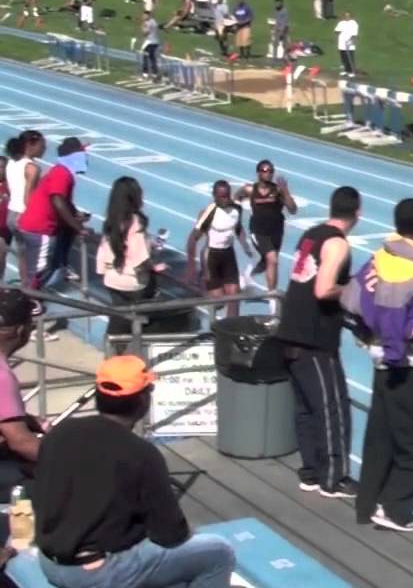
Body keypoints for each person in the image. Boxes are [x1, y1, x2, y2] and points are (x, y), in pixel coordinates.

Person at [33, 355, 236, 588]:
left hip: (49, 562)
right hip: (98, 573)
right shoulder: (141, 453)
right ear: (142, 401)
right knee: (217, 552)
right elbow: (171, 534)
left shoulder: (60, 433)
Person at [341, 198, 413, 532]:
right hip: (407, 364)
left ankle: (368, 504)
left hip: (379, 359)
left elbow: (354, 297)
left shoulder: (381, 254)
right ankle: (396, 509)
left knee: (380, 435)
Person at [275, 187, 360, 498]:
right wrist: (352, 288)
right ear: (358, 213)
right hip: (315, 337)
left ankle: (310, 471)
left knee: (306, 409)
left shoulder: (311, 234)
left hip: (290, 332)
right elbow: (323, 290)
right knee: (332, 408)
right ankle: (334, 479)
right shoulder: (337, 244)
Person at [19, 138, 90, 302]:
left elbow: (63, 201)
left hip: (34, 225)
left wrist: (75, 214)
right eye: (82, 154)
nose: (85, 158)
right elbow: (57, 200)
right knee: (39, 268)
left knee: (37, 267)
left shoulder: (61, 172)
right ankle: (28, 303)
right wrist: (78, 227)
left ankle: (29, 300)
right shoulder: (61, 173)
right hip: (39, 227)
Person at [96, 177, 167, 335]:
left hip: (112, 279)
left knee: (119, 319)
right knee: (139, 321)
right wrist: (154, 267)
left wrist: (102, 270)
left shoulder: (111, 221)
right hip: (134, 283)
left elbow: (105, 250)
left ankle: (113, 351)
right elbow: (139, 258)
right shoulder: (136, 222)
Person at [185, 181, 252, 318]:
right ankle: (202, 285)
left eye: (227, 196)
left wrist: (244, 244)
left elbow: (238, 228)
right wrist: (191, 266)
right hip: (212, 257)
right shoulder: (209, 212)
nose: (225, 199)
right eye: (221, 197)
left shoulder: (236, 209)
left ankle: (232, 329)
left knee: (234, 296)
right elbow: (193, 238)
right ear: (214, 196)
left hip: (228, 254)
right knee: (219, 302)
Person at [0, 289, 43, 498]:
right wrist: (67, 459)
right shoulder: (2, 377)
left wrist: (28, 420)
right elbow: (21, 443)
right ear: (19, 330)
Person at [237, 159, 297, 303]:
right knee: (273, 260)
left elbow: (293, 210)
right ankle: (272, 298)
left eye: (270, 171)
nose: (268, 174)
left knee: (267, 263)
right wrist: (235, 212)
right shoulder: (250, 189)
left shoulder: (278, 190)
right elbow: (237, 197)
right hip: (258, 231)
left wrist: (286, 192)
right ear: (258, 173)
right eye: (264, 171)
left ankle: (248, 275)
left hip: (276, 231)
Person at [5, 130, 44, 288]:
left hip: (11, 214)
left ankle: (25, 288)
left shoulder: (11, 162)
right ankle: (31, 293)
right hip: (24, 215)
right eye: (42, 145)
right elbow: (28, 197)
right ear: (30, 145)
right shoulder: (32, 168)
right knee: (34, 259)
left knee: (22, 255)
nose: (44, 149)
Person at [335, 12, 359, 77]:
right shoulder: (341, 23)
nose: (346, 17)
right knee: (343, 58)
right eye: (345, 16)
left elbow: (354, 34)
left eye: (348, 16)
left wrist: (350, 41)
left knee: (350, 58)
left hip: (349, 43)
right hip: (341, 43)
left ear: (351, 16)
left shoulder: (354, 23)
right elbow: (336, 31)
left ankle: (351, 71)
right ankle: (345, 70)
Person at [139, 11, 160, 81]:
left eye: (144, 16)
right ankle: (155, 74)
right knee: (152, 58)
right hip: (155, 41)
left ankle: (145, 74)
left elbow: (145, 33)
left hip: (149, 42)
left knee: (145, 57)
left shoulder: (148, 23)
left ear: (148, 16)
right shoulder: (154, 21)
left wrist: (142, 25)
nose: (143, 17)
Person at [270, 0, 289, 64]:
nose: (277, 4)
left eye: (278, 3)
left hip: (284, 29)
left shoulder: (284, 11)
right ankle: (274, 58)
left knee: (284, 44)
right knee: (275, 44)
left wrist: (282, 30)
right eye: (276, 3)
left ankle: (284, 58)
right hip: (277, 29)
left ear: (281, 3)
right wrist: (274, 28)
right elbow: (275, 20)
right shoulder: (275, 10)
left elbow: (285, 21)